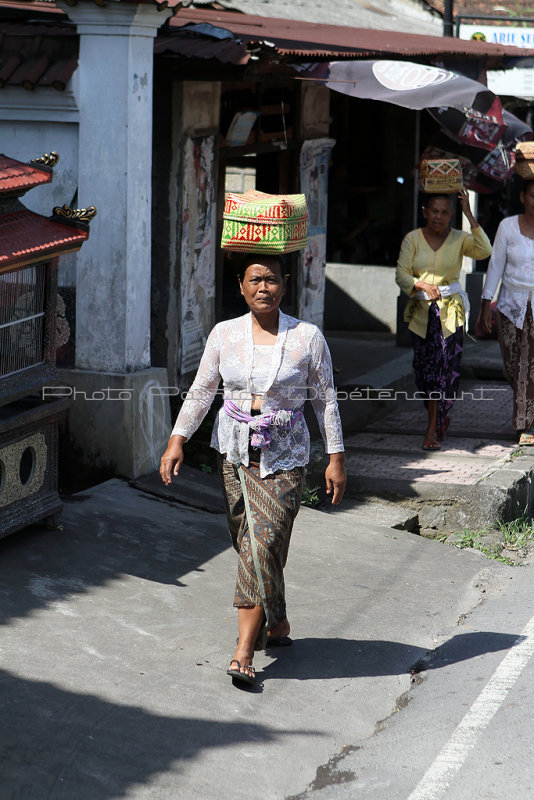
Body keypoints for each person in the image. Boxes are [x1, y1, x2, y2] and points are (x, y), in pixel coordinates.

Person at [159, 253, 346, 686]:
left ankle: (243, 652)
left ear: (285, 285)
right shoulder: (224, 335)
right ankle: (276, 622)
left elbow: (326, 400)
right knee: (249, 543)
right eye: (255, 279)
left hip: (286, 458)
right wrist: (176, 441)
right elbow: (203, 390)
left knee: (260, 545)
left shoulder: (307, 338)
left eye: (273, 280)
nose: (264, 287)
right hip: (236, 455)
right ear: (241, 286)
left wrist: (336, 459)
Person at [396, 191, 492, 450]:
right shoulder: (412, 239)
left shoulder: (461, 239)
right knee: (424, 373)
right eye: (434, 211)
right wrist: (420, 284)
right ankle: (438, 417)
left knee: (444, 370)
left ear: (451, 215)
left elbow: (484, 250)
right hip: (420, 315)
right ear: (425, 212)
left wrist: (469, 214)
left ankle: (431, 428)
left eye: (444, 212)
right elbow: (401, 275)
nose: (438, 216)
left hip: (450, 314)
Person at [478, 179, 534, 445]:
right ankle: (527, 411)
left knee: (530, 368)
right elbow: (495, 266)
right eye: (533, 195)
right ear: (523, 196)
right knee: (513, 368)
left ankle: (525, 425)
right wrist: (484, 307)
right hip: (510, 307)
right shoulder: (507, 227)